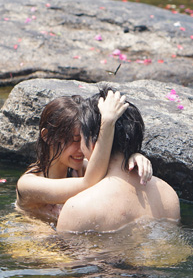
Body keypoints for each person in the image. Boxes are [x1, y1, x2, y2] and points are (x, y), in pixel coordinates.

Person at [56, 87, 180, 233]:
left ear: (93, 142)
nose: (80, 148)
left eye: (80, 139)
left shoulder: (78, 209)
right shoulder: (167, 194)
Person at [15, 91, 153, 222]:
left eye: (84, 138)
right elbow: (88, 183)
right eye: (75, 140)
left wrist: (131, 157)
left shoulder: (82, 169)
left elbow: (112, 170)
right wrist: (107, 122)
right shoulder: (28, 184)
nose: (82, 147)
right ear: (47, 137)